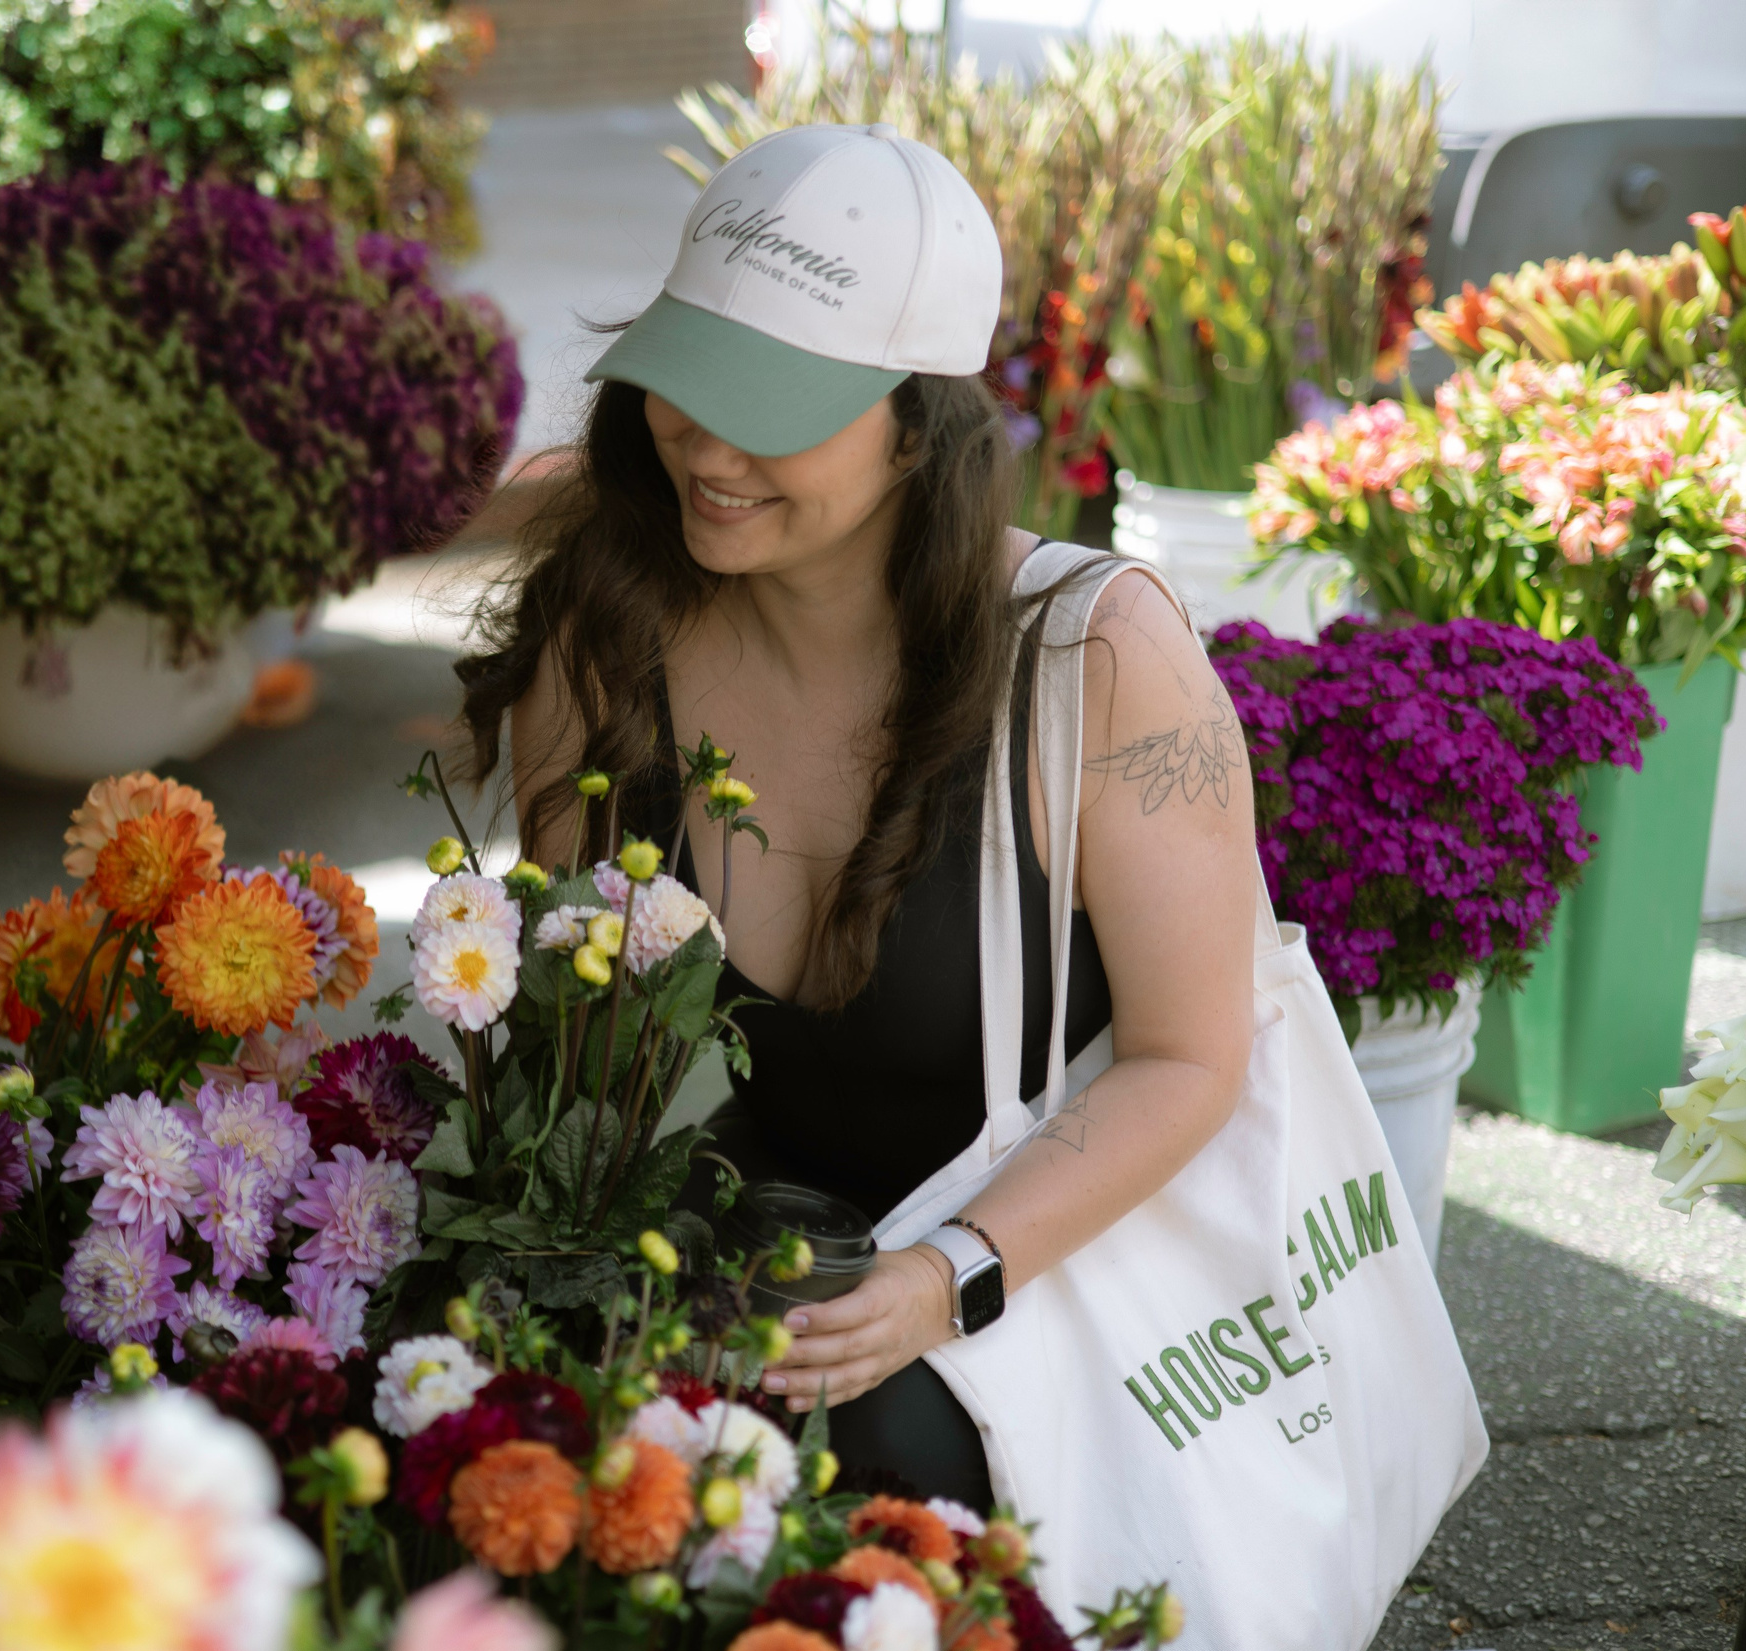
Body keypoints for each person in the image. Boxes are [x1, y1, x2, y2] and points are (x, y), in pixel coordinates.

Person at [453, 124, 1259, 1508]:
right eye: (686, 378)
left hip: (1040, 1270)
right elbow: (577, 1055)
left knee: (881, 1469)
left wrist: (945, 1279)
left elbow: (1192, 1059)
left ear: (920, 421)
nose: (705, 444)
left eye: (774, 406)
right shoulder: (608, 634)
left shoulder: (1094, 656)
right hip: (750, 1270)